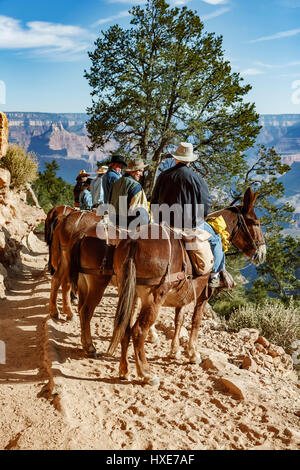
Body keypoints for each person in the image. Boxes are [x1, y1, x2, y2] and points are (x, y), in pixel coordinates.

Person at [151, 142, 231, 288]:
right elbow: (205, 204)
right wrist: (198, 220)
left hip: (164, 223)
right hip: (189, 224)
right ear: (189, 160)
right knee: (217, 239)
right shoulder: (196, 178)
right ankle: (214, 275)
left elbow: (154, 201)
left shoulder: (163, 176)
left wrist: (158, 220)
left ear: (176, 158)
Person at [109, 157, 149, 228]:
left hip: (114, 223)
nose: (141, 174)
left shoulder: (116, 184)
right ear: (132, 171)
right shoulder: (135, 186)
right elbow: (140, 213)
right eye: (139, 171)